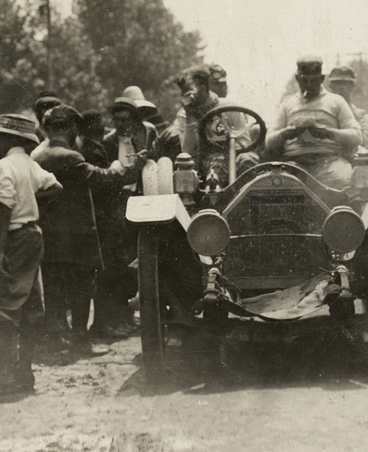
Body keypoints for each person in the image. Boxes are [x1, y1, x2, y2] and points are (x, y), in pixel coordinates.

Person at [33, 105, 130, 356]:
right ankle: (80, 341)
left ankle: (55, 339)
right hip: (77, 236)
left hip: (49, 236)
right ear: (73, 128)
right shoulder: (70, 157)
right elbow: (100, 177)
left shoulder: (38, 156)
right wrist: (120, 168)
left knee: (54, 289)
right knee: (82, 290)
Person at [0, 114, 62, 395]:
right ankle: (24, 374)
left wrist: (1, 247)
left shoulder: (4, 165)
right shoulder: (31, 165)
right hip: (33, 235)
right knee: (28, 305)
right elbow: (56, 186)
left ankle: (1, 376)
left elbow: (4, 207)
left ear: (11, 139)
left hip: (14, 237)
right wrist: (32, 203)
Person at [94, 95, 159, 334]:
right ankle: (113, 318)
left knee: (133, 262)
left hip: (138, 205)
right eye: (117, 119)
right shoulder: (108, 142)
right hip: (115, 209)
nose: (121, 124)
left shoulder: (144, 139)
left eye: (126, 119)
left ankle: (126, 315)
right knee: (114, 265)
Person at [264, 57, 361, 190]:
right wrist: (285, 134)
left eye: (314, 81)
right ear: (297, 79)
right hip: (294, 163)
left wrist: (328, 133)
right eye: (304, 81)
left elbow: (356, 136)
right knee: (278, 186)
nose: (309, 85)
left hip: (329, 161)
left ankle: (339, 211)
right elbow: (269, 141)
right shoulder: (287, 103)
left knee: (342, 182)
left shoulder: (337, 101)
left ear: (322, 79)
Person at [160, 65, 260, 179]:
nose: (187, 97)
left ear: (203, 87)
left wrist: (226, 153)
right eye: (184, 93)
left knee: (248, 159)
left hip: (232, 158)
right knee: (187, 169)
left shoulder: (231, 107)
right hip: (204, 164)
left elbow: (244, 143)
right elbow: (188, 151)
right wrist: (190, 117)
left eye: (190, 91)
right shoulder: (184, 115)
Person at [326, 66, 368, 152]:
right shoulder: (325, 112)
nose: (341, 87)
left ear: (352, 86)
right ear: (331, 85)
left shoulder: (360, 115)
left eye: (345, 83)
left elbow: (366, 141)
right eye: (337, 83)